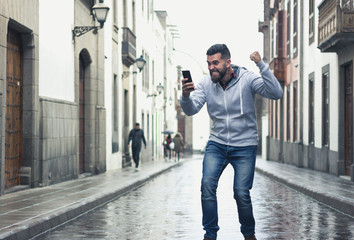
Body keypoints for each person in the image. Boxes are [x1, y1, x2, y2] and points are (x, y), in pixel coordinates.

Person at [179, 44, 283, 240]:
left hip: (244, 145)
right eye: (209, 64)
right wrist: (185, 96)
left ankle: (249, 234)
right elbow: (191, 109)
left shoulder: (247, 78)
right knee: (207, 186)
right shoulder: (205, 84)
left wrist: (261, 65)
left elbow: (276, 93)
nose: (211, 68)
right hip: (217, 144)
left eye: (215, 63)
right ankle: (210, 235)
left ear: (228, 62)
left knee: (241, 193)